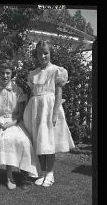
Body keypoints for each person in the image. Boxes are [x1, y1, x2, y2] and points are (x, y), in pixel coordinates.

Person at [0, 60, 38, 198]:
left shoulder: (18, 91)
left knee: (18, 139)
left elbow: (20, 114)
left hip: (14, 122)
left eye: (8, 73)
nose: (5, 76)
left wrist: (10, 124)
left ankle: (10, 174)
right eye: (2, 73)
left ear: (11, 74)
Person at [23, 40, 75, 187]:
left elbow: (58, 94)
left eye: (46, 53)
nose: (43, 56)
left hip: (49, 108)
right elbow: (32, 94)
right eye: (40, 53)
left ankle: (50, 173)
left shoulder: (57, 71)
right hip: (35, 109)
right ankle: (43, 172)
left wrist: (54, 114)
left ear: (50, 53)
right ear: (36, 55)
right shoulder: (33, 73)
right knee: (39, 140)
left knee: (48, 141)